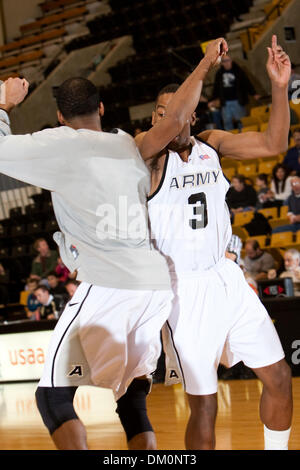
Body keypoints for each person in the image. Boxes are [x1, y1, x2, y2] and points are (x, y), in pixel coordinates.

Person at [0, 39, 224, 450]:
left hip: (108, 284)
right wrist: (206, 63)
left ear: (58, 117)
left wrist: (4, 105)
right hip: (154, 286)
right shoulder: (129, 144)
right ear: (101, 108)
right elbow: (174, 120)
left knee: (51, 395)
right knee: (132, 396)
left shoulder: (58, 143)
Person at [135, 35, 292, 450]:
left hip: (227, 278)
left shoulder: (211, 145)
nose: (170, 120)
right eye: (162, 113)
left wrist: (279, 88)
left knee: (278, 378)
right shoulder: (146, 158)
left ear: (192, 113)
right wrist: (205, 63)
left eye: (179, 112)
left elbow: (274, 145)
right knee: (204, 405)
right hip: (184, 292)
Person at [208, 54, 260, 130]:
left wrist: (254, 93)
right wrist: (212, 100)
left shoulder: (238, 71)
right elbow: (216, 88)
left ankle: (243, 137)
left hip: (237, 101)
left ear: (231, 60)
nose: (226, 63)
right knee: (227, 122)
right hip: (225, 103)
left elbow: (246, 82)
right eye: (224, 61)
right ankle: (231, 138)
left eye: (228, 60)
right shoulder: (219, 73)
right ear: (221, 63)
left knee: (241, 121)